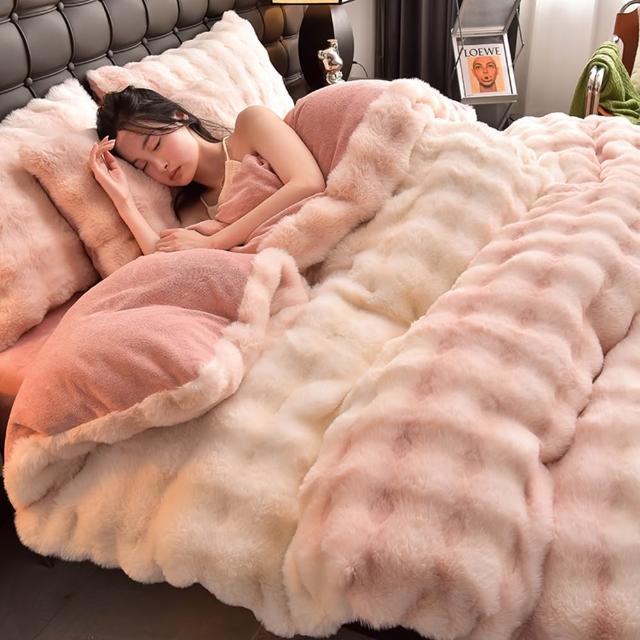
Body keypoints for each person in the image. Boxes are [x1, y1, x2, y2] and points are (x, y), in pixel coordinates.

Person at [91, 86, 325, 254]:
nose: (160, 166)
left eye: (155, 144)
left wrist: (214, 242)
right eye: (143, 166)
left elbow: (308, 183)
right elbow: (165, 260)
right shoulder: (193, 209)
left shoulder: (251, 125)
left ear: (179, 116)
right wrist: (123, 201)